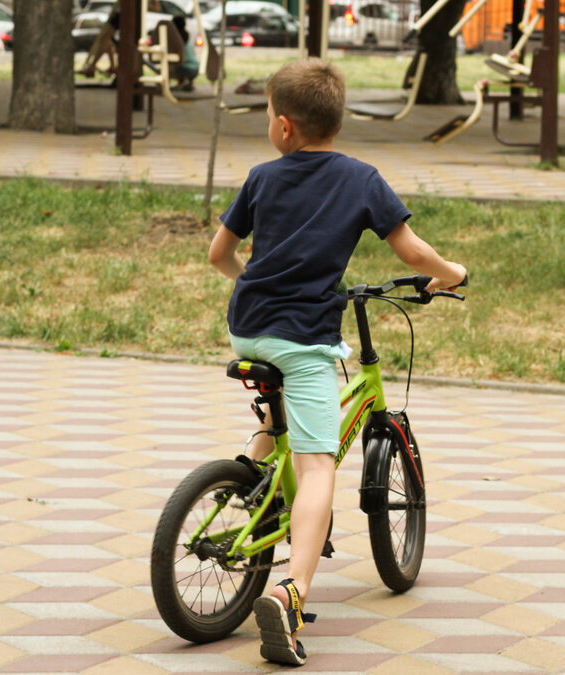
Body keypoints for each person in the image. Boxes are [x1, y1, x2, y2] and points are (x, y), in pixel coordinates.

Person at [207, 58, 466, 667]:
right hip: (304, 339)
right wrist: (450, 273)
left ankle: (253, 475)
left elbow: (220, 253)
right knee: (320, 462)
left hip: (247, 329)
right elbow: (410, 247)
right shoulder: (361, 178)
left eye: (270, 115)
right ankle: (291, 594)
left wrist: (258, 287)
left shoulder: (261, 177)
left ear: (285, 127)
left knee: (282, 417)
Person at [171, 15, 199, 91]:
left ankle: (183, 81)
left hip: (183, 68)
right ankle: (186, 82)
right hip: (196, 68)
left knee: (172, 63)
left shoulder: (175, 38)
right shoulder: (187, 36)